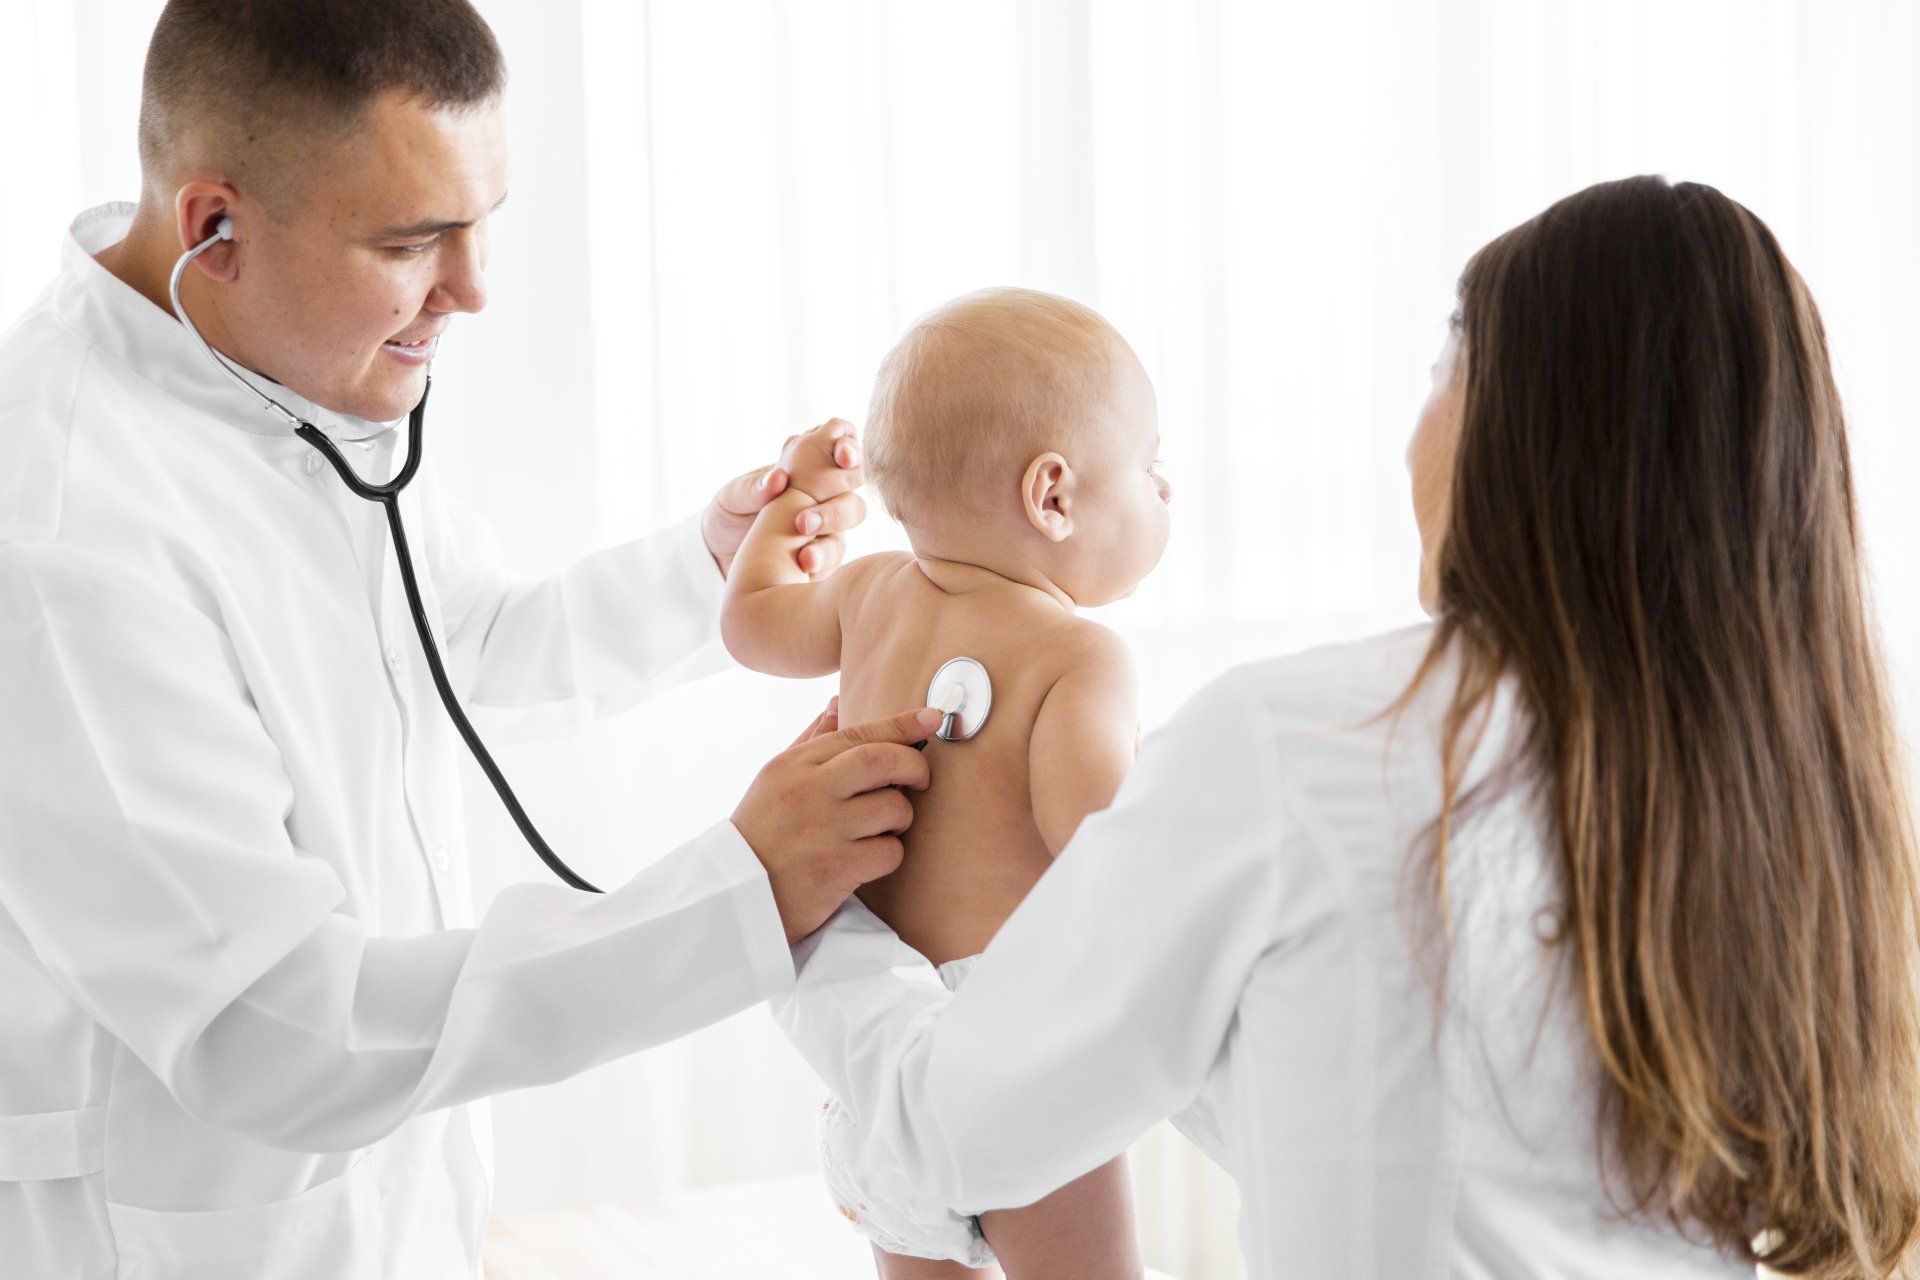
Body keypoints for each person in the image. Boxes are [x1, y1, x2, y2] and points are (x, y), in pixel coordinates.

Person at [775, 176, 1920, 1278]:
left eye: (1441, 364)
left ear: (1525, 428)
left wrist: (797, 912)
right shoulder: (1802, 802)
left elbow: (952, 1128)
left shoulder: (1304, 746)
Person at [0, 2, 936, 1277]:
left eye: (485, 216)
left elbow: (462, 647)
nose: (475, 287)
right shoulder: (61, 537)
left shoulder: (274, 369)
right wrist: (740, 889)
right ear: (212, 227)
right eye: (413, 241)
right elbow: (271, 1028)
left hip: (400, 1221)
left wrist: (713, 566)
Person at [724, 289, 1171, 1279]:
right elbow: (1114, 856)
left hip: (879, 1055)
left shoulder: (870, 592)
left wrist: (785, 518)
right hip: (1018, 1055)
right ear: (1054, 494)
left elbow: (751, 621)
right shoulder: (1077, 657)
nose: (1164, 492)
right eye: (1149, 468)